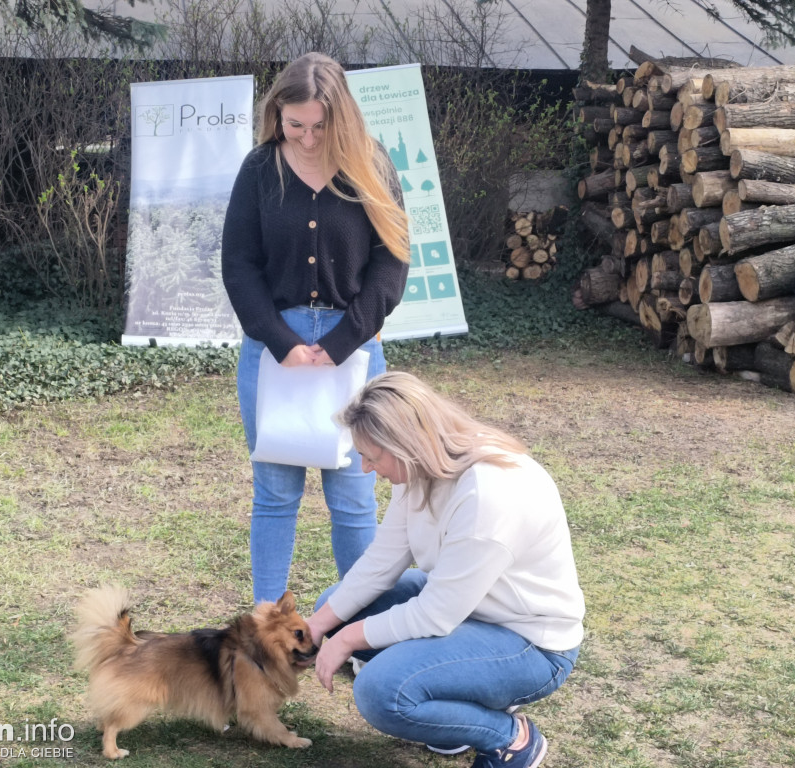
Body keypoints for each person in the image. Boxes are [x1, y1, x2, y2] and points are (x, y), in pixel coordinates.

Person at [306, 372, 585, 768]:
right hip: (467, 607)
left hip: (529, 641)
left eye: (372, 456)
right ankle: (449, 720)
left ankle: (512, 739)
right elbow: (380, 562)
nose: (366, 468)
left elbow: (436, 614)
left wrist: (348, 639)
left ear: (405, 444)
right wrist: (317, 627)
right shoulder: (420, 467)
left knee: (381, 691)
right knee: (332, 608)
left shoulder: (490, 493)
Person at [221, 53, 410, 604]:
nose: (306, 138)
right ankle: (266, 628)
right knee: (275, 495)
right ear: (277, 114)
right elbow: (238, 263)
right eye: (294, 124)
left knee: (353, 495)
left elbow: (391, 262)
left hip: (352, 354)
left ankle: (359, 626)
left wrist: (340, 342)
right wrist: (281, 342)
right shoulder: (259, 170)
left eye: (320, 125)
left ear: (342, 117)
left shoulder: (371, 167)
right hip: (272, 352)